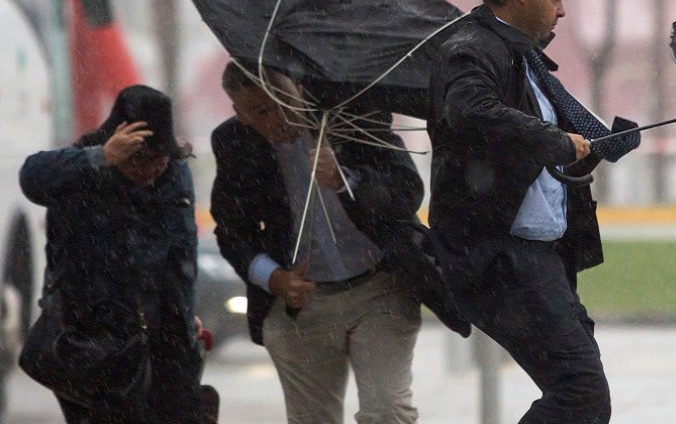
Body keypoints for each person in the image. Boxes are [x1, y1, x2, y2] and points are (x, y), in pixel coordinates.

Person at [427, 0, 611, 424]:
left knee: (580, 392)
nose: (563, 10)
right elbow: (471, 113)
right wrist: (554, 141)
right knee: (581, 394)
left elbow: (521, 150)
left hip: (536, 258)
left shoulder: (521, 56)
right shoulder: (471, 48)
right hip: (501, 257)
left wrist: (581, 154)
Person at [210, 62, 425, 424]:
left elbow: (407, 191)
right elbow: (232, 230)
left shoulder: (351, 115)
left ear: (297, 85)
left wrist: (346, 181)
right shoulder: (234, 142)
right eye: (262, 111)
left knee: (388, 412)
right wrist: (273, 277)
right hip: (300, 305)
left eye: (284, 100)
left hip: (379, 289)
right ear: (240, 114)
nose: (280, 117)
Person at [19, 85, 205, 424]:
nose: (148, 172)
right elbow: (32, 178)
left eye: (158, 162)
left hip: (162, 333)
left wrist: (185, 313)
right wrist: (101, 158)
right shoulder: (82, 168)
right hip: (91, 337)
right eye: (137, 160)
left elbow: (182, 254)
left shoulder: (175, 177)